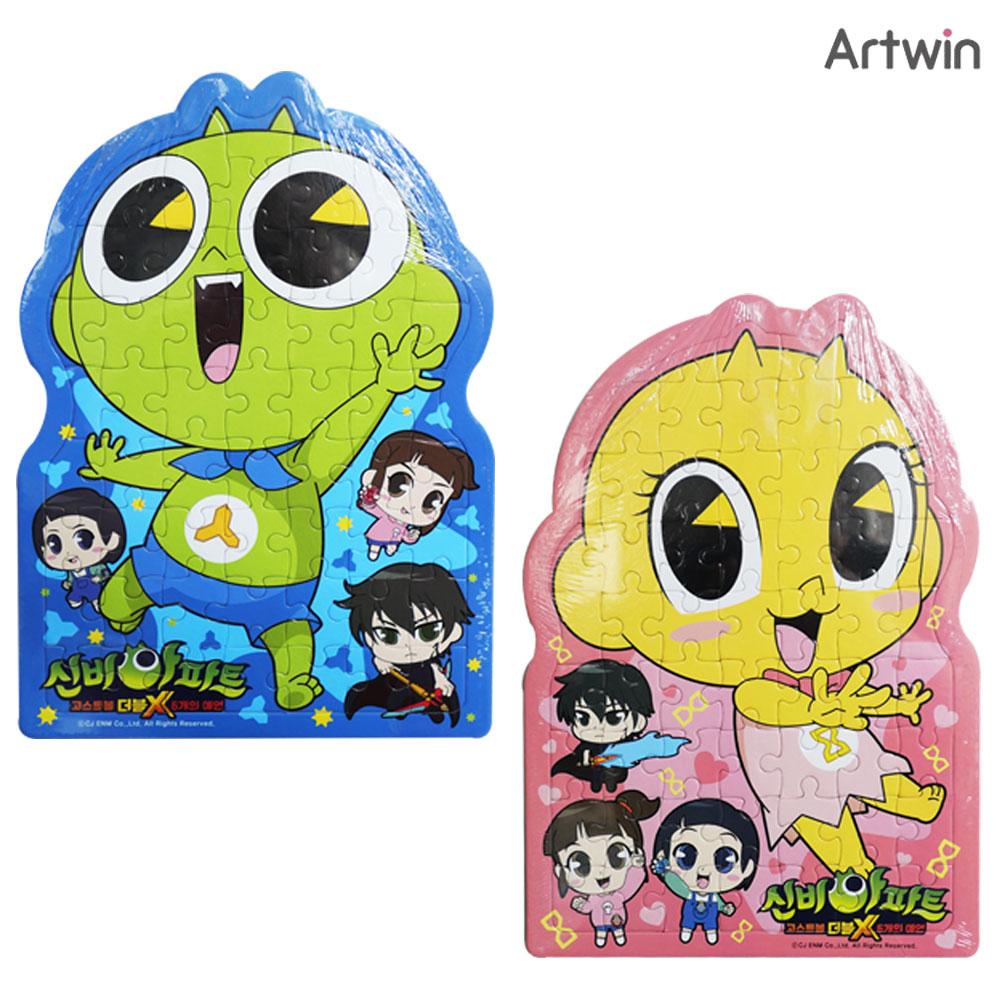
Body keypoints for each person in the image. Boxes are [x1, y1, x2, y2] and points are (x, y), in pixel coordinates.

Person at [337, 563, 473, 725]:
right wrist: (380, 660)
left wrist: (441, 679)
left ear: (454, 632)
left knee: (439, 710)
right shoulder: (378, 676)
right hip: (392, 693)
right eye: (388, 635)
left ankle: (435, 716)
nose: (407, 646)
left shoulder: (430, 663)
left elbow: (434, 667)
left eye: (428, 632)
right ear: (369, 638)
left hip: (427, 691)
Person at [358, 431, 478, 560]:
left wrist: (412, 536)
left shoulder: (405, 525)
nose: (411, 506)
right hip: (377, 533)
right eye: (399, 484)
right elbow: (369, 507)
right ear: (370, 477)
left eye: (431, 501)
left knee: (392, 546)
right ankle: (375, 550)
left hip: (395, 538)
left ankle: (390, 548)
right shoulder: (385, 514)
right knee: (375, 545)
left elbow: (407, 536)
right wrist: (368, 498)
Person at [33, 488, 125, 612]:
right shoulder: (72, 572)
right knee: (74, 597)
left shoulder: (95, 567)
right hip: (77, 589)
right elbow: (71, 580)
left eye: (84, 539)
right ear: (43, 549)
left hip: (93, 587)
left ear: (112, 540)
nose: (69, 552)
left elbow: (105, 573)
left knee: (96, 595)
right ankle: (77, 600)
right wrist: (68, 584)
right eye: (54, 544)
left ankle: (97, 602)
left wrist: (99, 578)